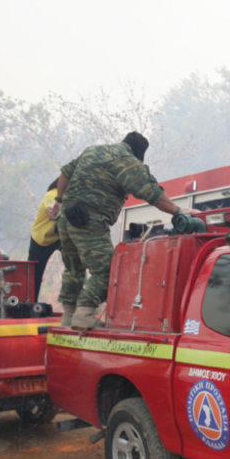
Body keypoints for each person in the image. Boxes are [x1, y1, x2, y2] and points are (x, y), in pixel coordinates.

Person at [55, 131, 184, 330]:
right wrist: (179, 212)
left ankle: (69, 316)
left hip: (66, 218)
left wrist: (59, 201)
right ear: (140, 153)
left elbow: (64, 174)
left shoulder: (93, 150)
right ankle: (84, 313)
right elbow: (153, 194)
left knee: (73, 268)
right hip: (88, 219)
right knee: (110, 269)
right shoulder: (127, 161)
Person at [28, 179, 61, 303]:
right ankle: (30, 303)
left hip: (59, 237)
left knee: (74, 263)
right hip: (41, 239)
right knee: (34, 275)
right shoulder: (52, 194)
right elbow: (51, 215)